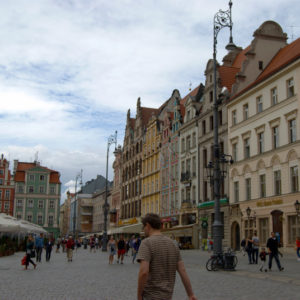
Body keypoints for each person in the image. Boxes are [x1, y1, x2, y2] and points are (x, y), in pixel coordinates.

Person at [137, 213, 197, 300]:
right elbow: (182, 270)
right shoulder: (173, 244)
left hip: (150, 296)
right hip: (168, 296)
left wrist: (139, 295)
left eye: (143, 227)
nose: (144, 230)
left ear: (148, 225)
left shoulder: (146, 243)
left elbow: (144, 272)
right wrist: (191, 294)